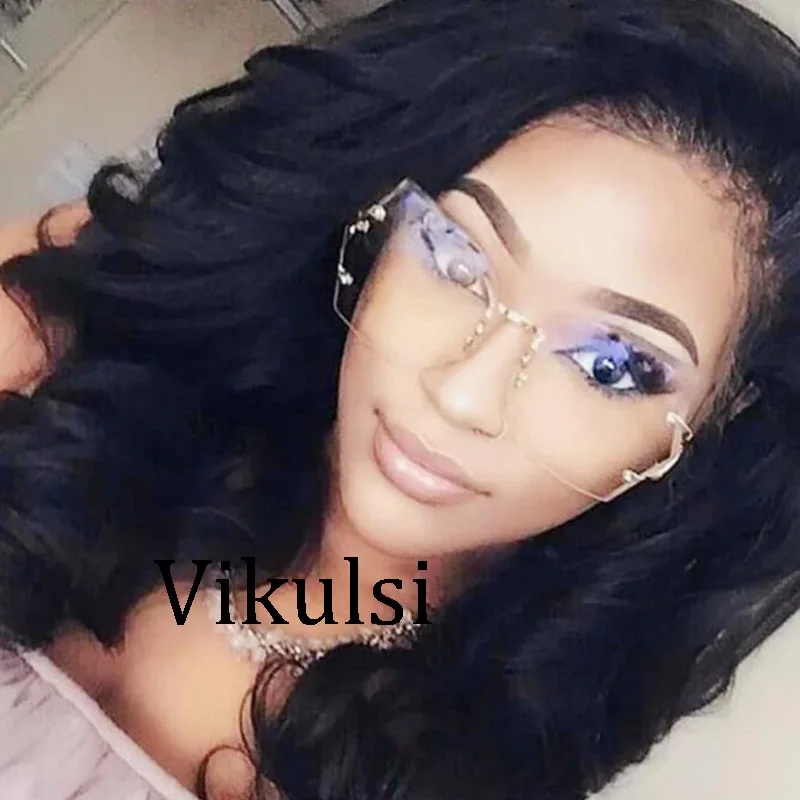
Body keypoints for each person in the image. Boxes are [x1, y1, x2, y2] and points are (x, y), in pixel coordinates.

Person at [3, 0, 800, 798]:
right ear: (380, 218)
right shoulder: (81, 331)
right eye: (454, 256)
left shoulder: (458, 771)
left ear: (712, 425)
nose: (463, 394)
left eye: (610, 365)